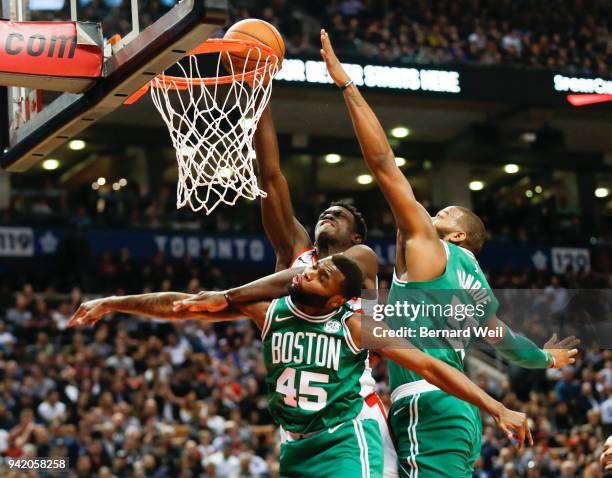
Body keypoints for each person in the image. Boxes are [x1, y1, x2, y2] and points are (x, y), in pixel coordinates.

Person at [316, 29, 579, 478]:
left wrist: (347, 85)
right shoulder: (477, 287)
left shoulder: (427, 246)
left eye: (447, 212)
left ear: (457, 237)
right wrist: (543, 358)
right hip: (457, 409)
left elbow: (383, 165)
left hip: (426, 403)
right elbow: (504, 340)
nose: (434, 211)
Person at [69, 255, 531, 478]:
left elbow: (430, 366)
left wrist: (496, 407)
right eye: (316, 266)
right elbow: (182, 306)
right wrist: (112, 303)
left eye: (322, 273)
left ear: (337, 296)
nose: (308, 271)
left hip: (346, 443)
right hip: (295, 446)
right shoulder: (268, 310)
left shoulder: (356, 324)